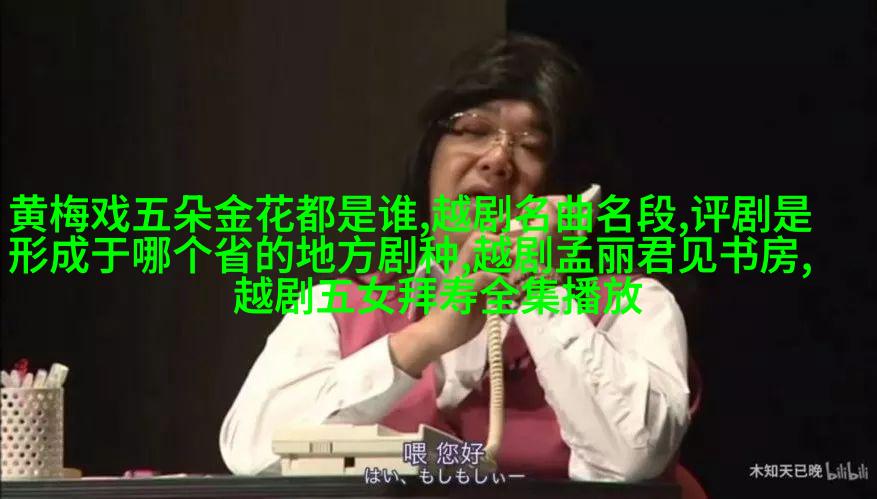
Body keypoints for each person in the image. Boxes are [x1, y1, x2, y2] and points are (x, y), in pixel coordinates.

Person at [219, 33, 690, 482]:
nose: (497, 159)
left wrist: (537, 288)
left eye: (531, 146)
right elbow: (250, 450)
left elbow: (635, 453)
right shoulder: (338, 307)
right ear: (431, 158)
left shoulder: (631, 305)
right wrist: (429, 336)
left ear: (567, 188)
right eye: (474, 129)